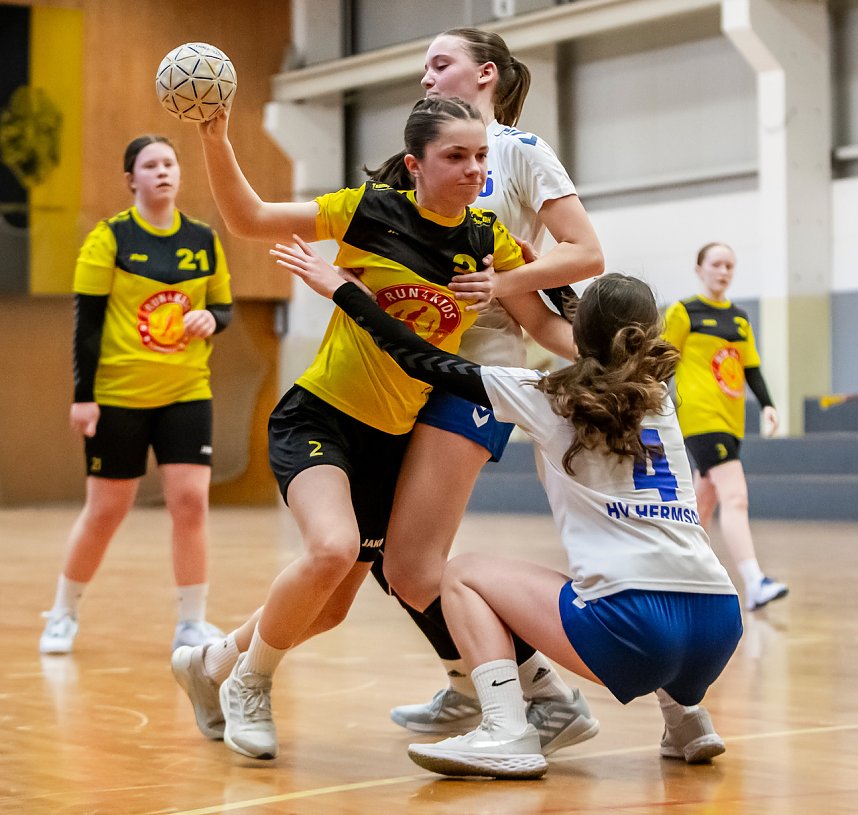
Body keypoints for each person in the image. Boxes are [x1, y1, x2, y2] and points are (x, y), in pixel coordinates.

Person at [171, 96, 577, 760]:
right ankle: (249, 681)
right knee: (329, 548)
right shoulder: (369, 211)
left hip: (391, 438)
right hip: (321, 415)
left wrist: (607, 359)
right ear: (415, 165)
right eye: (456, 157)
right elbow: (250, 218)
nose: (475, 170)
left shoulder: (486, 239)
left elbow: (541, 320)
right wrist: (217, 137)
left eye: (481, 157)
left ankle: (208, 663)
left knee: (328, 606)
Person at [273, 243, 744, 779]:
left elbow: (416, 354)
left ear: (579, 334)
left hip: (634, 629)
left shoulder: (543, 394)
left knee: (458, 574)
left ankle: (505, 731)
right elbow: (602, 337)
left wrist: (343, 292)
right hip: (718, 622)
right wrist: (538, 276)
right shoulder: (662, 397)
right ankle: (687, 721)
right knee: (656, 573)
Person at [373, 27, 605, 754]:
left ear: (486, 75)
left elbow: (587, 251)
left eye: (439, 62)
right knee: (386, 552)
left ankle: (523, 697)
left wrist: (505, 282)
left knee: (408, 562)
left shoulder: (519, 152)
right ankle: (500, 687)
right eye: (423, 63)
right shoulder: (418, 159)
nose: (425, 73)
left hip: (479, 370)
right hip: (404, 369)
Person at [39, 135, 233, 655]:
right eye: (151, 166)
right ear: (132, 180)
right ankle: (63, 611)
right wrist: (83, 396)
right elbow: (87, 325)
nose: (162, 172)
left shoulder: (204, 239)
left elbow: (224, 309)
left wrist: (210, 317)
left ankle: (192, 622)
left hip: (186, 391)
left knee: (191, 503)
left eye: (170, 163)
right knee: (106, 510)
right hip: (119, 395)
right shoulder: (109, 239)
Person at [663, 243, 788, 612]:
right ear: (699, 268)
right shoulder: (684, 311)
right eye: (716, 264)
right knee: (735, 496)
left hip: (731, 421)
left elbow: (751, 368)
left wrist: (767, 404)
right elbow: (664, 361)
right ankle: (754, 582)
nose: (723, 271)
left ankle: (679, 580)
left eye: (729, 265)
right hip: (700, 416)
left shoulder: (739, 318)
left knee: (703, 503)